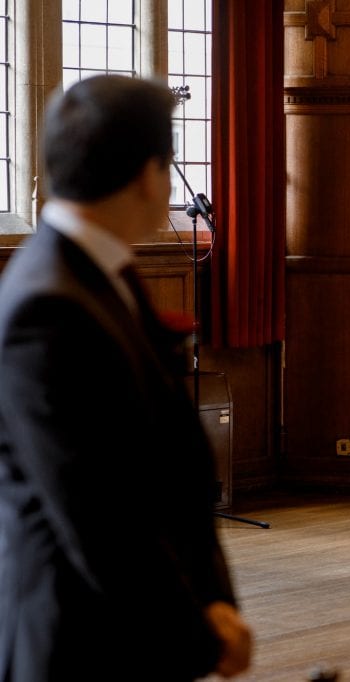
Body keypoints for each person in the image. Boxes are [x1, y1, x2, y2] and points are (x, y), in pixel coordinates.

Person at [0, 76, 251, 679]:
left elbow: (175, 464)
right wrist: (198, 633)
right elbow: (95, 513)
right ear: (148, 175)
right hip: (81, 640)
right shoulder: (45, 307)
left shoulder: (101, 274)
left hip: (131, 629)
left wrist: (215, 599)